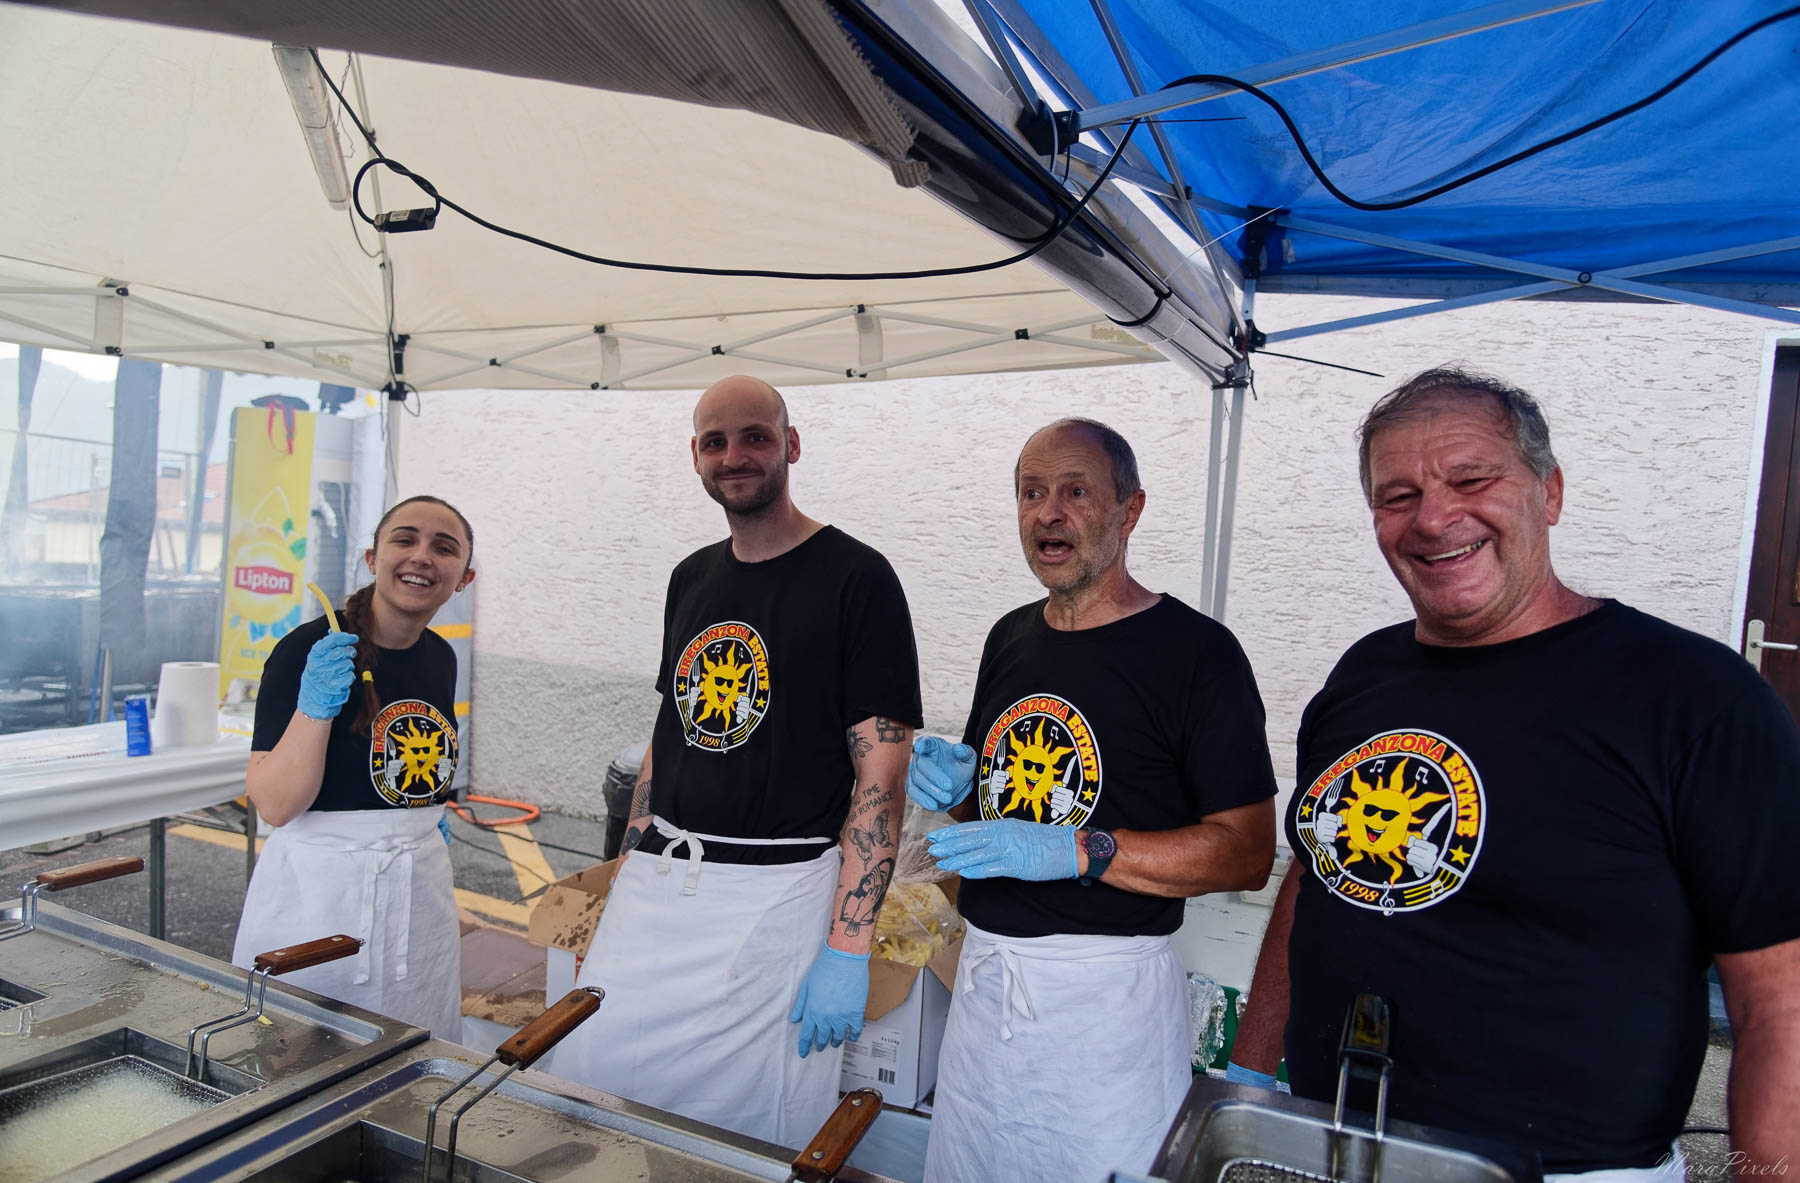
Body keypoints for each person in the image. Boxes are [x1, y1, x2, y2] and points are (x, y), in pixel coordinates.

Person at [1228, 368, 1800, 1175]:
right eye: (1398, 496)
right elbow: (1319, 875)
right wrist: (1250, 1076)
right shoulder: (1362, 675)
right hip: (1342, 1146)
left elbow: (1780, 999)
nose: (1434, 518)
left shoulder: (1694, 697)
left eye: (1471, 479)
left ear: (1549, 492)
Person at [548, 375, 922, 1148]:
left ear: (791, 445)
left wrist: (847, 948)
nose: (735, 455)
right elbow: (667, 740)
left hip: (775, 901)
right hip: (657, 888)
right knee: (596, 1088)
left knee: (745, 1132)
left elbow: (880, 778)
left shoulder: (858, 578)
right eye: (715, 441)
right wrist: (620, 881)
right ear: (696, 455)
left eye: (755, 436)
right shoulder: (691, 576)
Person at [907, 417, 1278, 1183]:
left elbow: (1245, 852)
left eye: (1076, 492)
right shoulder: (1009, 637)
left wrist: (1083, 848)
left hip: (1107, 1015)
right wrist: (960, 788)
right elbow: (1000, 818)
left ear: (1128, 511)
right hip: (985, 995)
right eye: (1031, 492)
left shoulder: (1197, 653)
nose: (1049, 512)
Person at [233, 495, 475, 1036]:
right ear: (372, 558)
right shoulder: (307, 650)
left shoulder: (441, 657)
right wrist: (315, 708)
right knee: (303, 1050)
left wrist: (422, 815)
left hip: (418, 893)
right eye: (404, 539)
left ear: (464, 577)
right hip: (321, 896)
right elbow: (274, 804)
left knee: (416, 1046)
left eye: (444, 548)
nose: (421, 556)